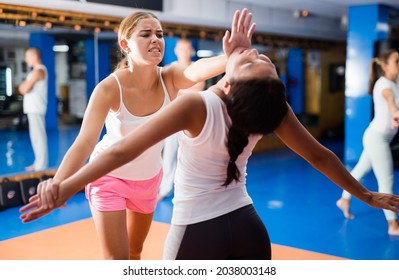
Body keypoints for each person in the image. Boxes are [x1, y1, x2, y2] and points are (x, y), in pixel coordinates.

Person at [20, 24, 399, 259]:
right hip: (250, 227)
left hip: (195, 230)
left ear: (231, 82)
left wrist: (63, 188)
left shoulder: (196, 105)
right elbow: (319, 156)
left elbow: (121, 150)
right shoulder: (270, 108)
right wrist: (366, 195)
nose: (255, 54)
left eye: (253, 61)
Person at [19, 9, 253, 260]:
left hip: (148, 179)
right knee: (117, 260)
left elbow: (196, 69)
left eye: (160, 34)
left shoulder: (169, 78)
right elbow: (85, 142)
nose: (156, 39)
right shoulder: (109, 88)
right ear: (125, 44)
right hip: (108, 178)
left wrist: (230, 57)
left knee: (135, 252)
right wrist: (59, 184)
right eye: (146, 34)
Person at [336, 49, 399, 236]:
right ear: (385, 66)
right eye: (397, 61)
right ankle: (393, 225)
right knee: (386, 180)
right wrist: (395, 113)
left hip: (380, 137)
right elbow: (390, 101)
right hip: (376, 138)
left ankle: (344, 199)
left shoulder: (396, 82)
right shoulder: (383, 84)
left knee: (360, 170)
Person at [158, 38, 206, 201]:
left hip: (192, 119)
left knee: (191, 156)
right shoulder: (169, 69)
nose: (184, 52)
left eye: (187, 49)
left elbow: (198, 89)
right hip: (172, 117)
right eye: (181, 49)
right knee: (169, 153)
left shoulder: (198, 68)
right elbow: (166, 91)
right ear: (176, 51)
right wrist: (185, 91)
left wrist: (177, 91)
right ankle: (164, 189)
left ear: (191, 51)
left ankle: (189, 189)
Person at [18, 47, 48, 172]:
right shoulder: (34, 72)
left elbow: (23, 89)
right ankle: (38, 163)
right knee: (35, 137)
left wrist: (25, 86)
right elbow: (22, 88)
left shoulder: (38, 71)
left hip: (36, 108)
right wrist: (25, 86)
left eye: (27, 56)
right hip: (32, 109)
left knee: (39, 137)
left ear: (35, 56)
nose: (26, 59)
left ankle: (42, 165)